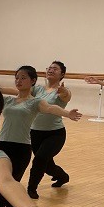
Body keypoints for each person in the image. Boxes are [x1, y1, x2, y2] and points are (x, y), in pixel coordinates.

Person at [0, 66, 82, 207]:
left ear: (33, 81)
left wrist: (67, 113)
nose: (18, 81)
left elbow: (51, 108)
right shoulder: (8, 101)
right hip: (3, 147)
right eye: (17, 78)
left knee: (5, 185)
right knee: (7, 184)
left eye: (23, 78)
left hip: (21, 149)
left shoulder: (35, 102)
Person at [27, 61, 73, 198]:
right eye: (50, 68)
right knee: (47, 165)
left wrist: (64, 91)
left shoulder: (62, 91)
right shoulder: (37, 89)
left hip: (55, 134)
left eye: (55, 69)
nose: (51, 70)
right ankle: (63, 176)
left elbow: (66, 95)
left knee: (40, 159)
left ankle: (31, 188)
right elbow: (20, 91)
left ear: (62, 74)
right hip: (35, 132)